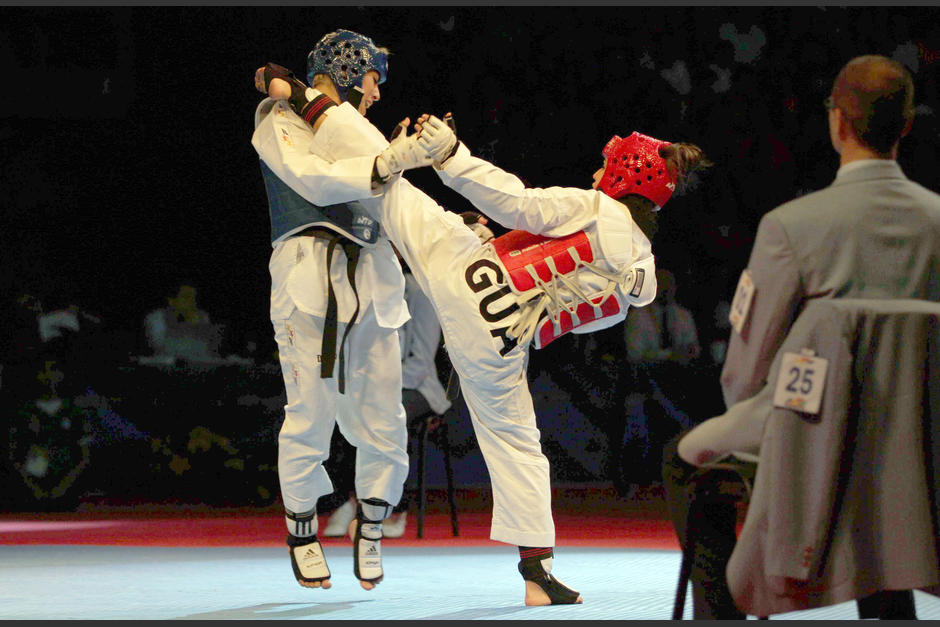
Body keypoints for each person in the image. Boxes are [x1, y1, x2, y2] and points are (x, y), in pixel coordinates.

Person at [254, 66, 710, 604]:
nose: (597, 172)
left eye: (606, 166)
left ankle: (308, 101)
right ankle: (537, 571)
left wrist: (451, 156)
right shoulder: (645, 275)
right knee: (518, 441)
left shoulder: (597, 207)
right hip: (501, 340)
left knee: (394, 189)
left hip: (469, 278)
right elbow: (587, 312)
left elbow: (516, 202)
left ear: (625, 177)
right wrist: (504, 256)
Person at [662, 54, 940, 620]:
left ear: (837, 122)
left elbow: (745, 368)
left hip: (809, 427)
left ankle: (721, 613)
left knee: (682, 459)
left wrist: (768, 433)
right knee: (884, 469)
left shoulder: (793, 226)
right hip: (924, 442)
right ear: (906, 126)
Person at [250, 30, 413, 592]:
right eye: (371, 79)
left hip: (372, 274)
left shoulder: (358, 129)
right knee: (311, 413)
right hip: (307, 269)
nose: (375, 93)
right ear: (347, 70)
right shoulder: (278, 116)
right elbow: (313, 179)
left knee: (386, 418)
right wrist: (383, 161)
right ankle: (302, 528)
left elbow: (394, 202)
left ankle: (371, 526)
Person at [619, 267, 700, 495]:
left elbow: (693, 349)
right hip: (645, 387)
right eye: (662, 285)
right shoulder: (639, 316)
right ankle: (640, 478)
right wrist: (670, 356)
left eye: (670, 284)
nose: (667, 290)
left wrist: (685, 354)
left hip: (680, 388)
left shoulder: (683, 315)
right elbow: (635, 355)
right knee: (639, 425)